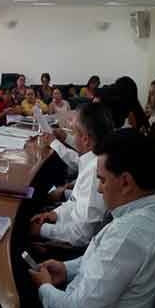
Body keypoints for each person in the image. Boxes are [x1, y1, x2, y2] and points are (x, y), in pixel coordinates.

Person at [29, 129, 155, 308]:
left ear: (126, 182)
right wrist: (66, 269)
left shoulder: (126, 237)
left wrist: (44, 287)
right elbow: (105, 265)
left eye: (102, 180)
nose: (100, 190)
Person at [30, 103, 112, 246]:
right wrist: (56, 215)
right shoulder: (93, 160)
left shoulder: (95, 173)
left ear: (85, 139)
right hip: (70, 226)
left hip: (72, 247)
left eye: (73, 132)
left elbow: (81, 235)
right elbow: (76, 203)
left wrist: (42, 230)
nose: (70, 136)